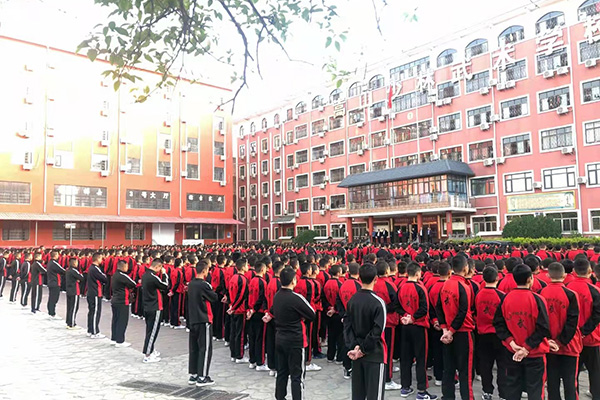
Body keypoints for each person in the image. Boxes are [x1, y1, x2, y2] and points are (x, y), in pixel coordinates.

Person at [493, 264, 550, 400]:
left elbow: (498, 323)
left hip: (512, 351)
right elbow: (543, 328)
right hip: (534, 353)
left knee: (512, 388)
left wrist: (511, 342)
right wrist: (526, 348)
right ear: (530, 279)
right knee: (535, 391)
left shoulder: (506, 298)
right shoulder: (537, 299)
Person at [272, 267, 316, 400]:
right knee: (297, 376)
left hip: (280, 338)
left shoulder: (277, 296)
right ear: (293, 281)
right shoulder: (296, 298)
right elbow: (312, 314)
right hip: (295, 340)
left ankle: (280, 397)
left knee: (282, 372)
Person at [344, 263, 386, 400]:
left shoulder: (352, 300)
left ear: (359, 278)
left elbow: (347, 325)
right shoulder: (378, 302)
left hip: (356, 353)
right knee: (375, 396)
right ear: (376, 279)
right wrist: (362, 349)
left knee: (358, 395)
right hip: (374, 353)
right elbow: (377, 331)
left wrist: (354, 346)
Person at [540, 262, 581, 400]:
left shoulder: (541, 293)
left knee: (552, 383)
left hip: (548, 346)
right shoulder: (571, 295)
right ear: (564, 275)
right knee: (570, 383)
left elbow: (540, 322)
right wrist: (560, 342)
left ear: (548, 275)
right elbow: (572, 323)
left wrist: (549, 341)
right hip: (569, 346)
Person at [436, 255, 475, 400]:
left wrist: (445, 329)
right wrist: (451, 331)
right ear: (465, 268)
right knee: (466, 372)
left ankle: (447, 397)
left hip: (447, 334)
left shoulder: (445, 284)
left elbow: (438, 307)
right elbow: (463, 312)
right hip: (463, 332)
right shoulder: (464, 286)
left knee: (449, 369)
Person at [398, 262, 436, 399]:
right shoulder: (420, 288)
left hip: (405, 326)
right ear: (418, 273)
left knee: (405, 358)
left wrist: (405, 316)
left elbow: (396, 305)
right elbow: (424, 309)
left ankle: (405, 387)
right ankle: (421, 390)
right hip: (418, 327)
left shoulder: (401, 287)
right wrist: (413, 318)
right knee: (421, 359)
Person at [566, 258, 600, 400]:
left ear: (573, 271)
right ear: (590, 271)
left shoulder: (566, 288)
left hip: (571, 339)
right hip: (592, 338)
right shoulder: (595, 290)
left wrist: (576, 332)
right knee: (595, 371)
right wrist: (584, 332)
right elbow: (597, 315)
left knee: (572, 374)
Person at [474, 266, 507, 400]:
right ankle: (503, 393)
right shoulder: (501, 296)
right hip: (499, 335)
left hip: (483, 334)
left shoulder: (478, 294)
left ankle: (487, 391)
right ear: (497, 278)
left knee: (485, 365)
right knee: (502, 365)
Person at [187, 258, 218, 387]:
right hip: (203, 318)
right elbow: (214, 297)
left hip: (193, 318)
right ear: (205, 271)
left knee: (194, 347)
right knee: (204, 348)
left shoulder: (191, 284)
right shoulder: (204, 285)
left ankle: (194, 374)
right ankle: (202, 376)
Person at [142, 258, 170, 363]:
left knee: (150, 330)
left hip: (147, 305)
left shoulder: (145, 275)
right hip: (155, 306)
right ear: (158, 267)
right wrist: (165, 274)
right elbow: (165, 285)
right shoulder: (153, 277)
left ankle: (151, 349)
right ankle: (147, 354)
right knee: (152, 332)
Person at [247, 262, 269, 371]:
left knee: (252, 337)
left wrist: (249, 309)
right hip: (258, 312)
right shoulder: (263, 282)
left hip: (251, 311)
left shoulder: (251, 281)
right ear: (263, 269)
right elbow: (261, 298)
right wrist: (254, 309)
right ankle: (260, 362)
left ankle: (252, 360)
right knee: (259, 338)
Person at [111, 260, 137, 348]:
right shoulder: (123, 276)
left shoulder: (115, 275)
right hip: (122, 300)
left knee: (115, 320)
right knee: (122, 321)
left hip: (115, 299)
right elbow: (133, 283)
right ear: (123, 267)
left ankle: (114, 338)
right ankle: (120, 341)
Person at [228, 257, 250, 363]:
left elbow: (229, 293)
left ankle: (233, 354)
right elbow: (241, 296)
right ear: (243, 267)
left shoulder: (233, 278)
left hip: (233, 307)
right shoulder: (243, 279)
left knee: (233, 332)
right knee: (240, 334)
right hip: (239, 309)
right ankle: (239, 356)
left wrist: (231, 305)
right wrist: (234, 307)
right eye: (246, 265)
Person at [265, 260, 284, 376]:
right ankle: (278, 367)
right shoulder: (279, 284)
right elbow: (278, 302)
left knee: (271, 342)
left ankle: (272, 367)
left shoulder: (269, 281)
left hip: (270, 314)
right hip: (276, 315)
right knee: (278, 343)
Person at [87, 252, 108, 338]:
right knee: (95, 312)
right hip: (95, 292)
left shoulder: (91, 268)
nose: (102, 260)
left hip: (91, 292)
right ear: (97, 259)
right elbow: (104, 278)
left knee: (91, 312)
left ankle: (90, 330)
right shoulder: (95, 268)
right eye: (101, 258)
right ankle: (95, 332)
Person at [65, 257, 84, 329]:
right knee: (74, 308)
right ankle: (72, 324)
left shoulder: (68, 270)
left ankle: (68, 321)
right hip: (75, 291)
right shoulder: (74, 271)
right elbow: (82, 277)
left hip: (69, 290)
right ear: (74, 263)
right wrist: (78, 279)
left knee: (69, 307)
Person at [47, 250, 65, 319]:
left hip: (51, 282)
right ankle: (52, 313)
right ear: (55, 255)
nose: (58, 256)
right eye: (57, 255)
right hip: (55, 282)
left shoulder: (50, 262)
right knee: (54, 298)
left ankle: (50, 312)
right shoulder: (54, 263)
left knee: (51, 298)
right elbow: (62, 270)